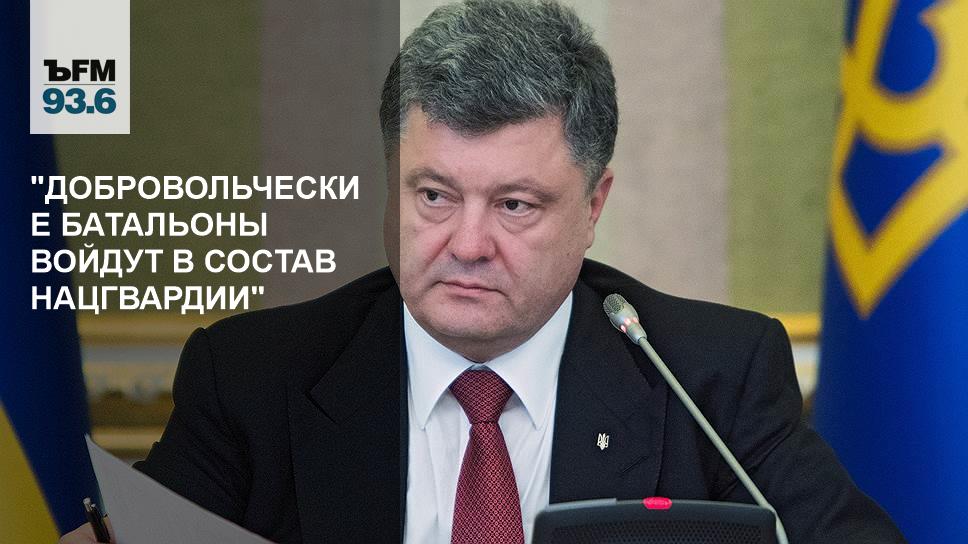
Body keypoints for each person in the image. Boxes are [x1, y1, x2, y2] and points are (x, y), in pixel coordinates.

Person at [62, 1, 906, 543]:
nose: (466, 244)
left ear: (594, 204)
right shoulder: (254, 378)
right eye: (433, 195)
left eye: (515, 205)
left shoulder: (709, 374)